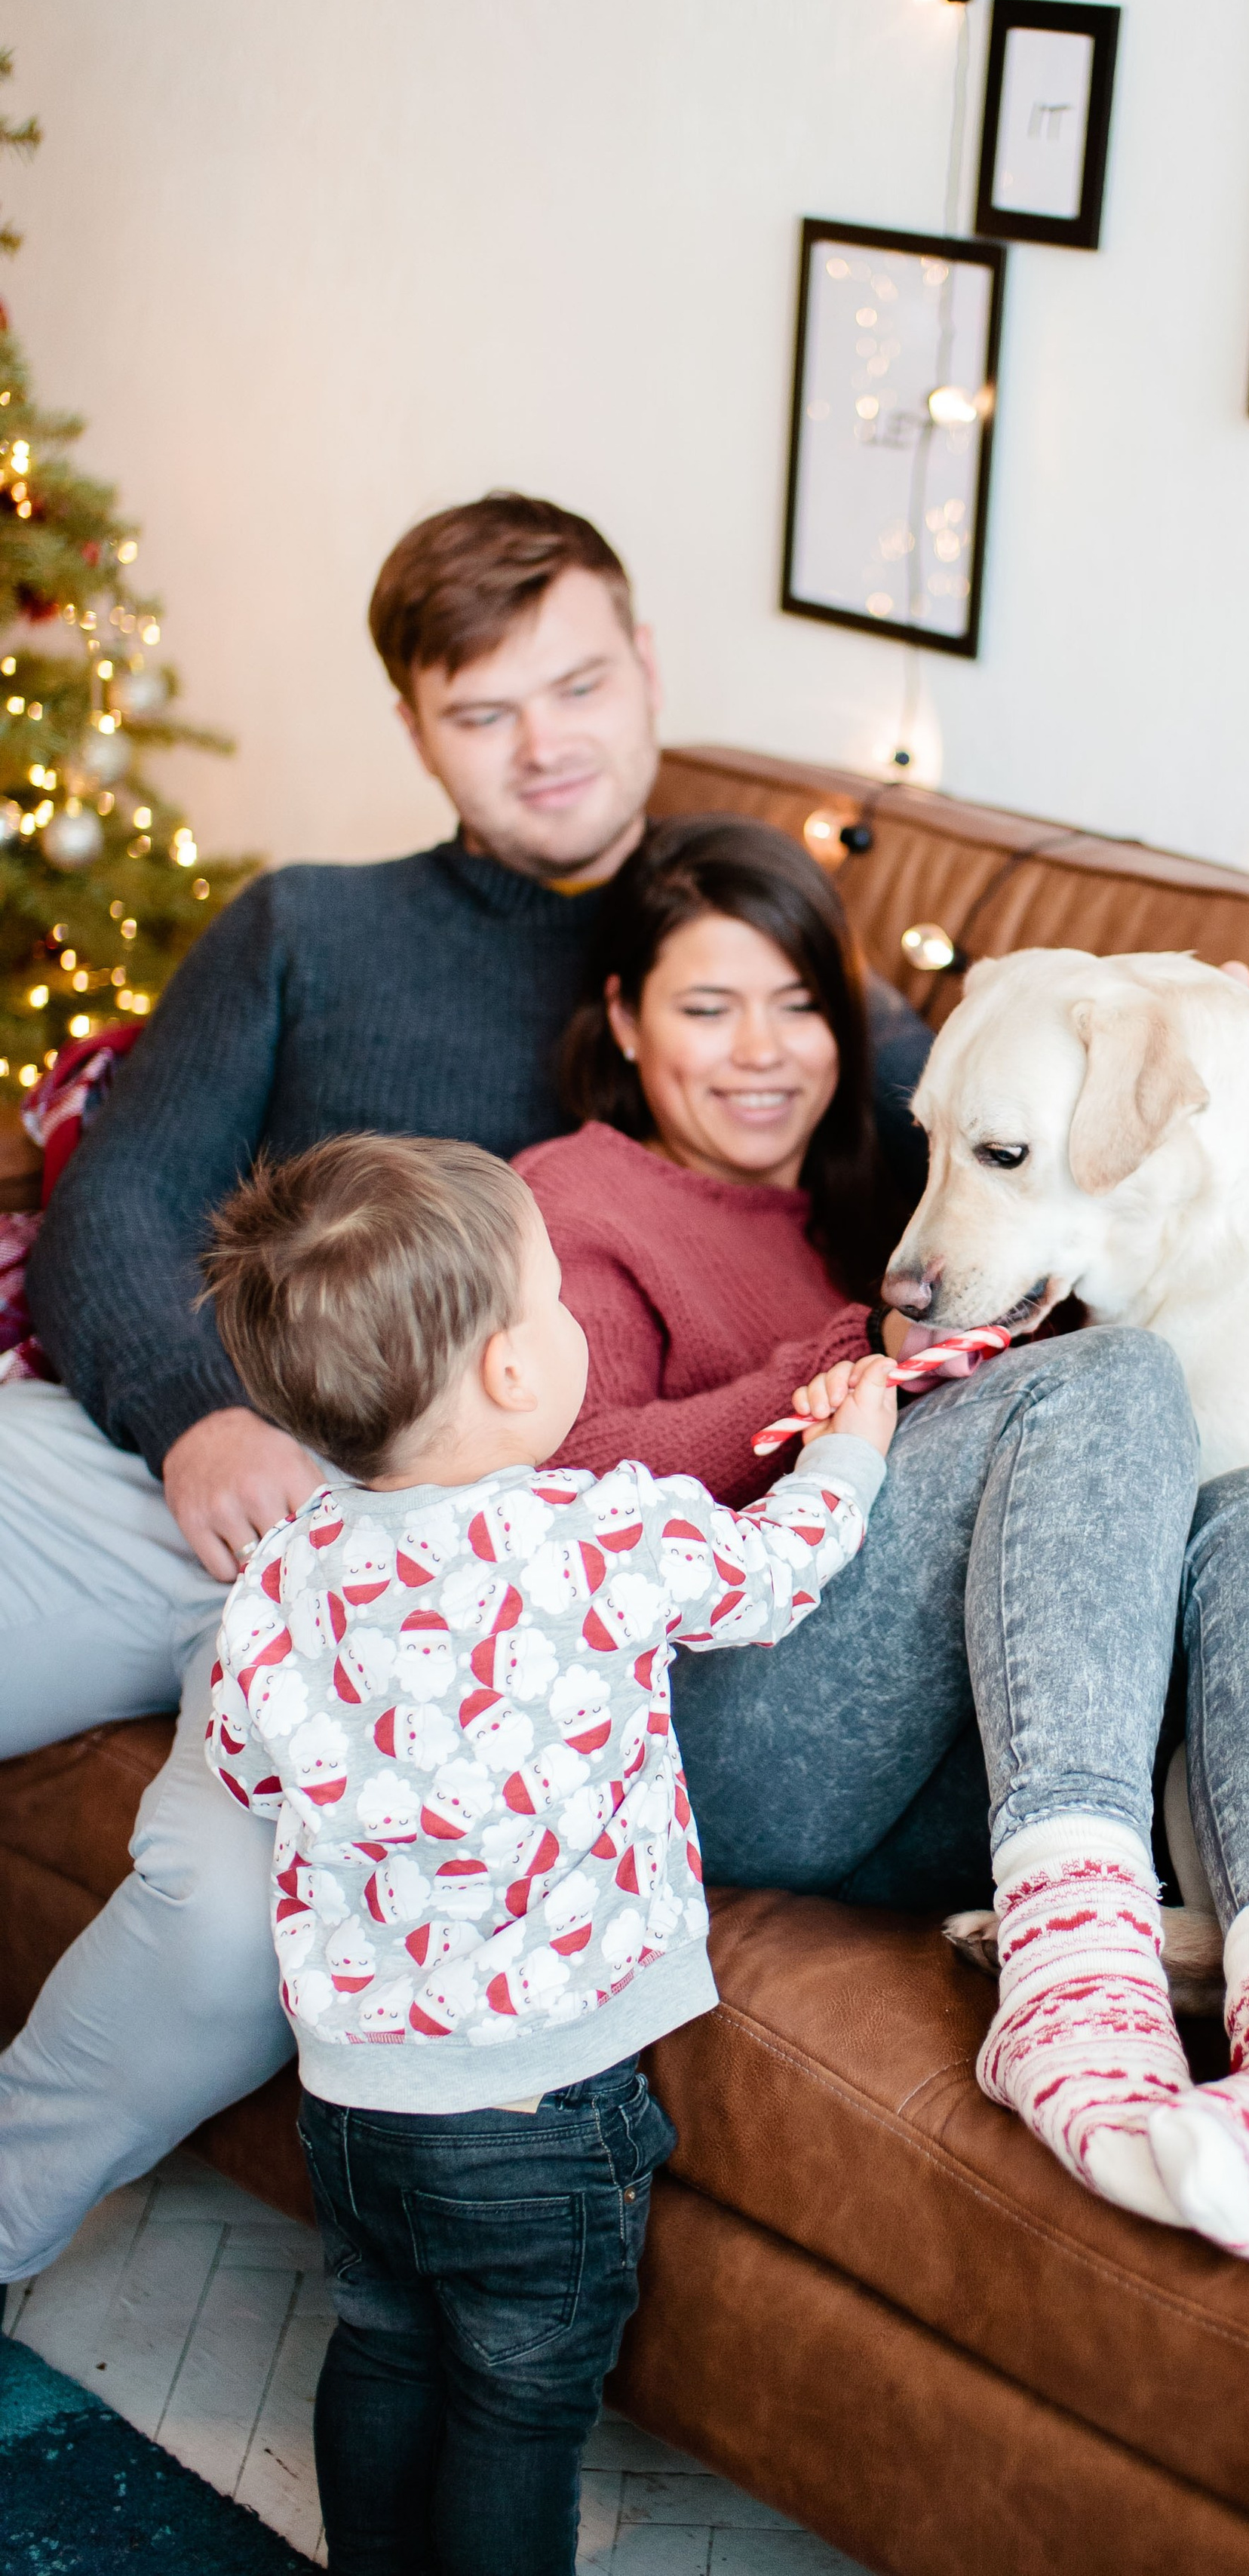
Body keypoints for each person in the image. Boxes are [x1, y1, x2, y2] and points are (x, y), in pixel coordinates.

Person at [0, 491, 927, 2282]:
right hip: (163, 1459)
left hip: (416, 1575)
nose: (545, 746)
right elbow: (122, 1192)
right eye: (483, 712)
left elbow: (958, 1119)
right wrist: (199, 1412)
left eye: (576, 685)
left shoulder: (734, 955)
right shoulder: (308, 927)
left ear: (647, 666)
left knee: (218, 1934)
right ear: (417, 730)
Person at [520, 815, 1249, 2264]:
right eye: (705, 1006)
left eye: (801, 1005)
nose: (761, 1050)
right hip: (711, 1736)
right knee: (1119, 1376)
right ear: (622, 1021)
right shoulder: (576, 1198)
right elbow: (554, 1474)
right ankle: (1069, 1982)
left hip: (924, 1746)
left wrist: (1245, 1065)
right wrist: (843, 1364)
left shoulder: (897, 1198)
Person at [198, 1131, 898, 2576]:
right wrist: (851, 1445)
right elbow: (777, 1579)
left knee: (385, 2350)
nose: (576, 1325)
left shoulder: (282, 1573)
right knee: (521, 2405)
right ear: (515, 1372)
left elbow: (245, 1764)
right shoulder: (598, 1531)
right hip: (541, 2106)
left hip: (355, 2095)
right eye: (558, 1301)